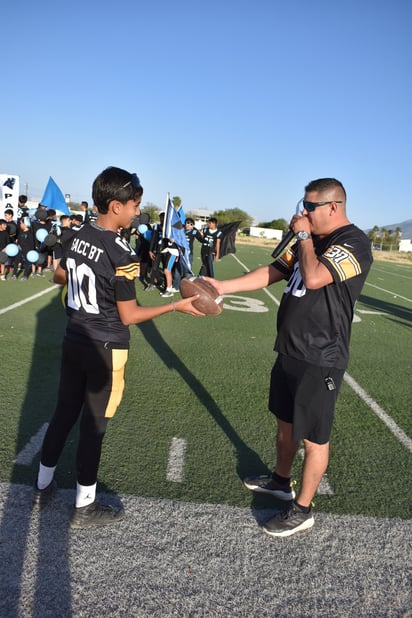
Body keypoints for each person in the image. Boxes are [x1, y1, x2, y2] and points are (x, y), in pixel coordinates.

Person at [32, 166, 203, 529]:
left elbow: (59, 274)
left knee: (64, 413)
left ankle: (42, 485)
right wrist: (176, 305)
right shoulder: (122, 252)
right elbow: (128, 315)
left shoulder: (78, 232)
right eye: (134, 205)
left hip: (74, 336)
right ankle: (85, 505)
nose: (137, 212)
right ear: (114, 205)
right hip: (105, 346)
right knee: (94, 425)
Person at [205, 178, 373, 538]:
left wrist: (304, 237)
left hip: (321, 355)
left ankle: (302, 509)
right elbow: (274, 272)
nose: (303, 212)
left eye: (310, 206)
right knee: (284, 424)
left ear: (333, 206)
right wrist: (222, 286)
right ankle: (281, 480)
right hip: (290, 348)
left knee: (314, 438)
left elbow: (313, 278)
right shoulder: (307, 239)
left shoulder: (354, 242)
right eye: (303, 204)